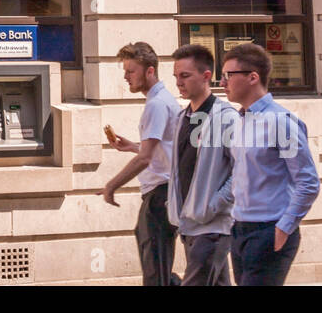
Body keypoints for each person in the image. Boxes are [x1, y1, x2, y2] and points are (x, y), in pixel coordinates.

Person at [222, 42, 320, 286]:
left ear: (253, 77)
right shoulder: (241, 120)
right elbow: (241, 175)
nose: (222, 83)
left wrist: (284, 227)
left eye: (228, 76)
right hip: (240, 229)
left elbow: (308, 182)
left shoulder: (280, 122)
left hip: (269, 230)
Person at [101, 41, 181, 286]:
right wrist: (133, 146)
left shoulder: (156, 104)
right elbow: (162, 149)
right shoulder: (163, 100)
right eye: (125, 71)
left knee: (156, 271)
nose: (125, 77)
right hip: (165, 193)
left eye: (130, 71)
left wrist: (111, 185)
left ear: (150, 71)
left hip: (160, 195)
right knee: (159, 268)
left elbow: (146, 158)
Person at [167, 43, 240, 285]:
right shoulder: (182, 118)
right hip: (189, 225)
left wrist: (214, 205)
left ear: (206, 76)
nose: (179, 82)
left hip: (213, 228)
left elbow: (243, 170)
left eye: (185, 76)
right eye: (176, 76)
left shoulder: (226, 118)